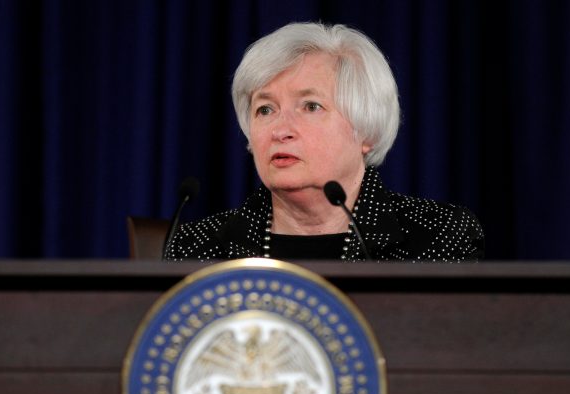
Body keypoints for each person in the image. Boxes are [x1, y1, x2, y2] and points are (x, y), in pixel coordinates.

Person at [165, 22, 484, 262]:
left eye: (310, 106)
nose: (280, 129)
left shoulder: (438, 237)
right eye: (265, 109)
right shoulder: (197, 247)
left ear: (366, 130)